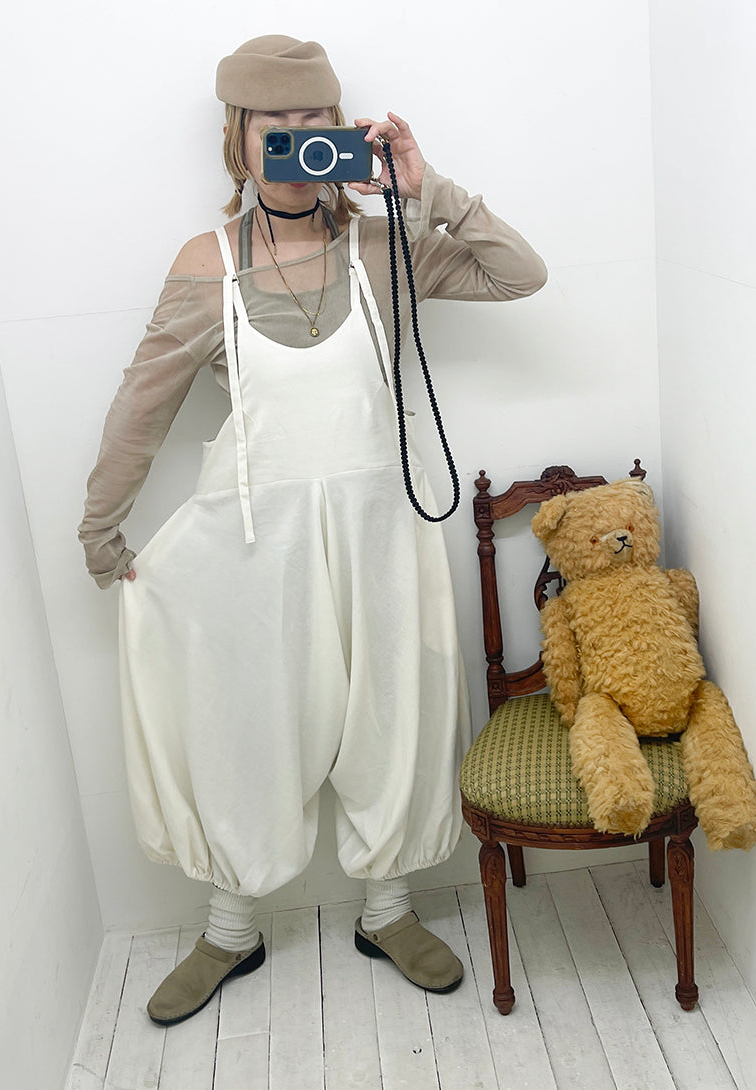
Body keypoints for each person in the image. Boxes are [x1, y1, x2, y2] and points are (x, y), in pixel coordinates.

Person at [79, 35, 547, 1026]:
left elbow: (521, 275)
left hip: (380, 537)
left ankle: (388, 910)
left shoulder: (384, 246)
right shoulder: (205, 265)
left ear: (342, 132)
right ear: (237, 139)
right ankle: (230, 927)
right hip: (257, 555)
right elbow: (141, 406)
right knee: (247, 726)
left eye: (314, 123)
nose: (295, 141)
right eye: (273, 126)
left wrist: (427, 189)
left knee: (391, 717)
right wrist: (101, 527)